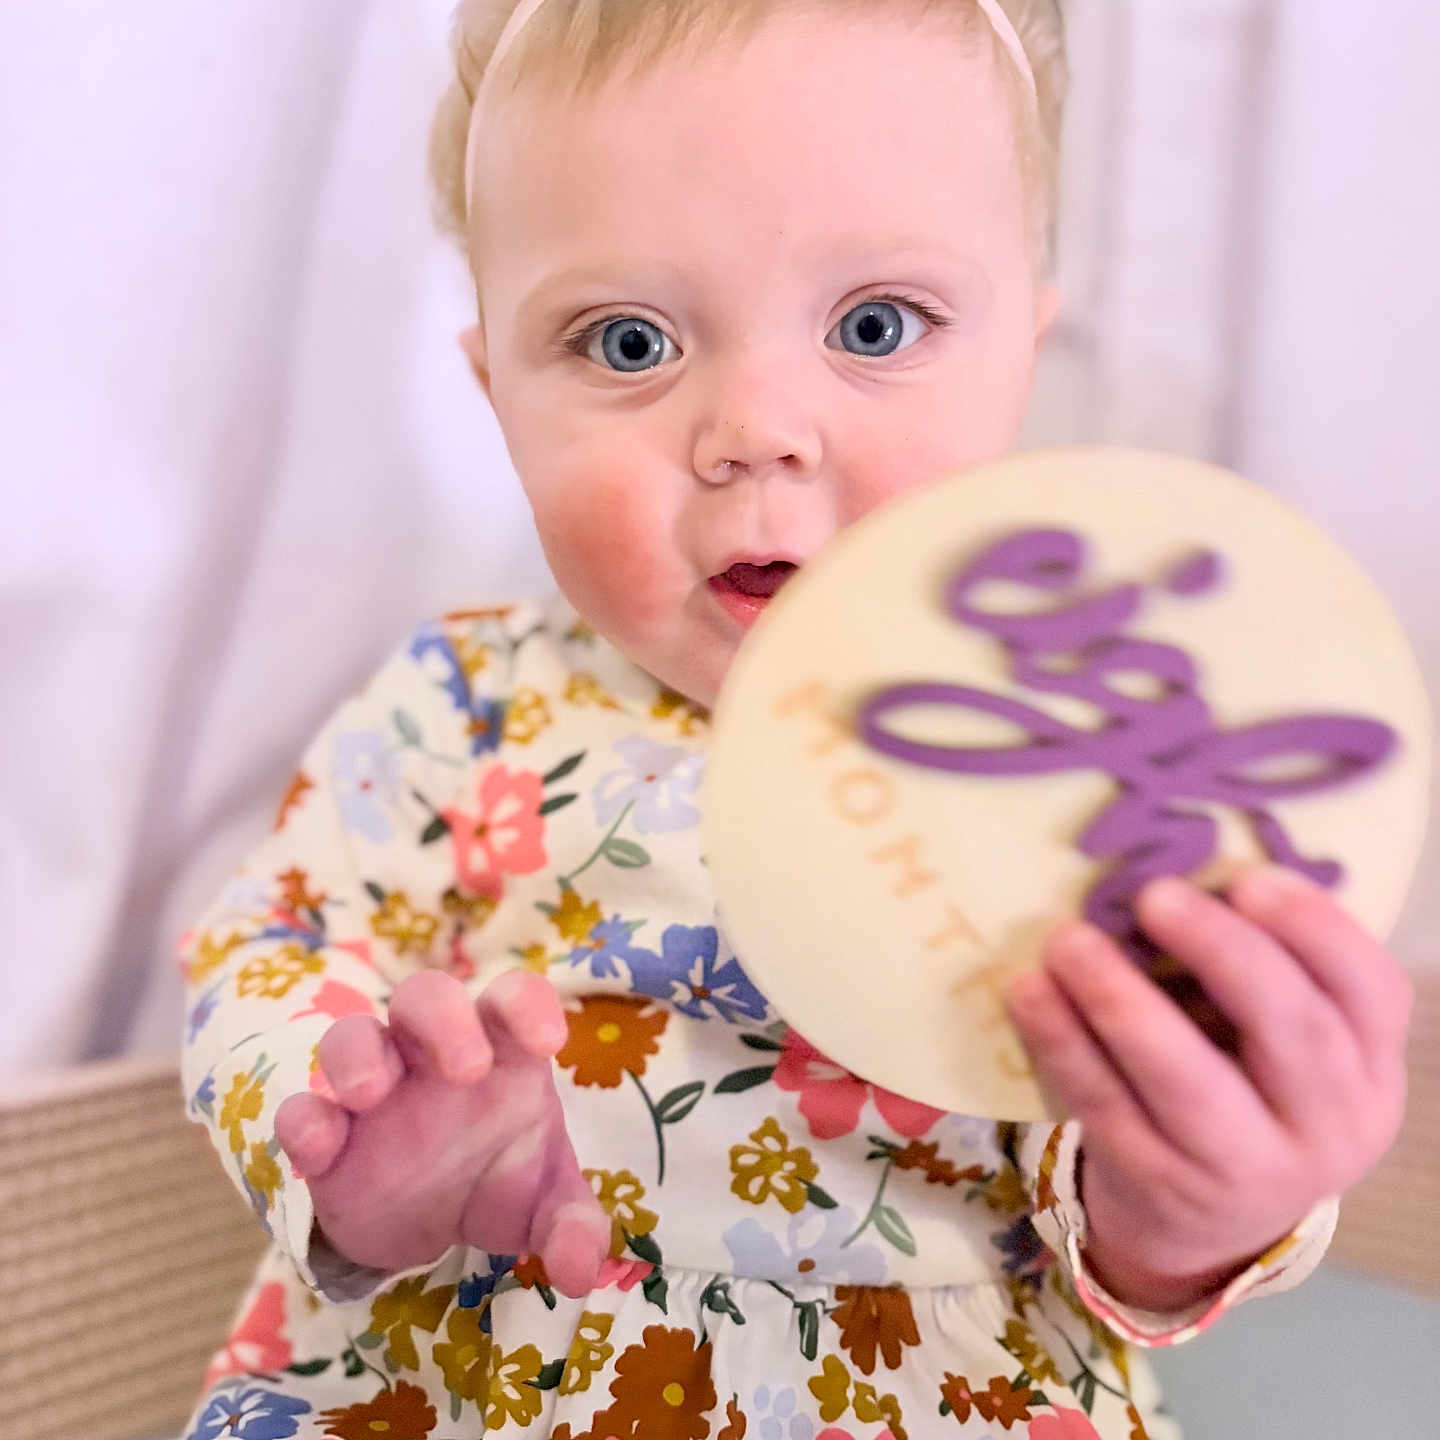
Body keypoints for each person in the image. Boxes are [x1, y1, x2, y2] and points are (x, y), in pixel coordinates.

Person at [178, 2, 1413, 1436]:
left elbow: (1120, 1192)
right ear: (498, 398)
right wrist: (350, 1131)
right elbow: (266, 948)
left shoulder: (1075, 746)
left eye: (876, 326)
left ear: (1024, 352)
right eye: (629, 341)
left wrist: (1193, 1193)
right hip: (479, 1371)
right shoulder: (463, 706)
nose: (757, 424)